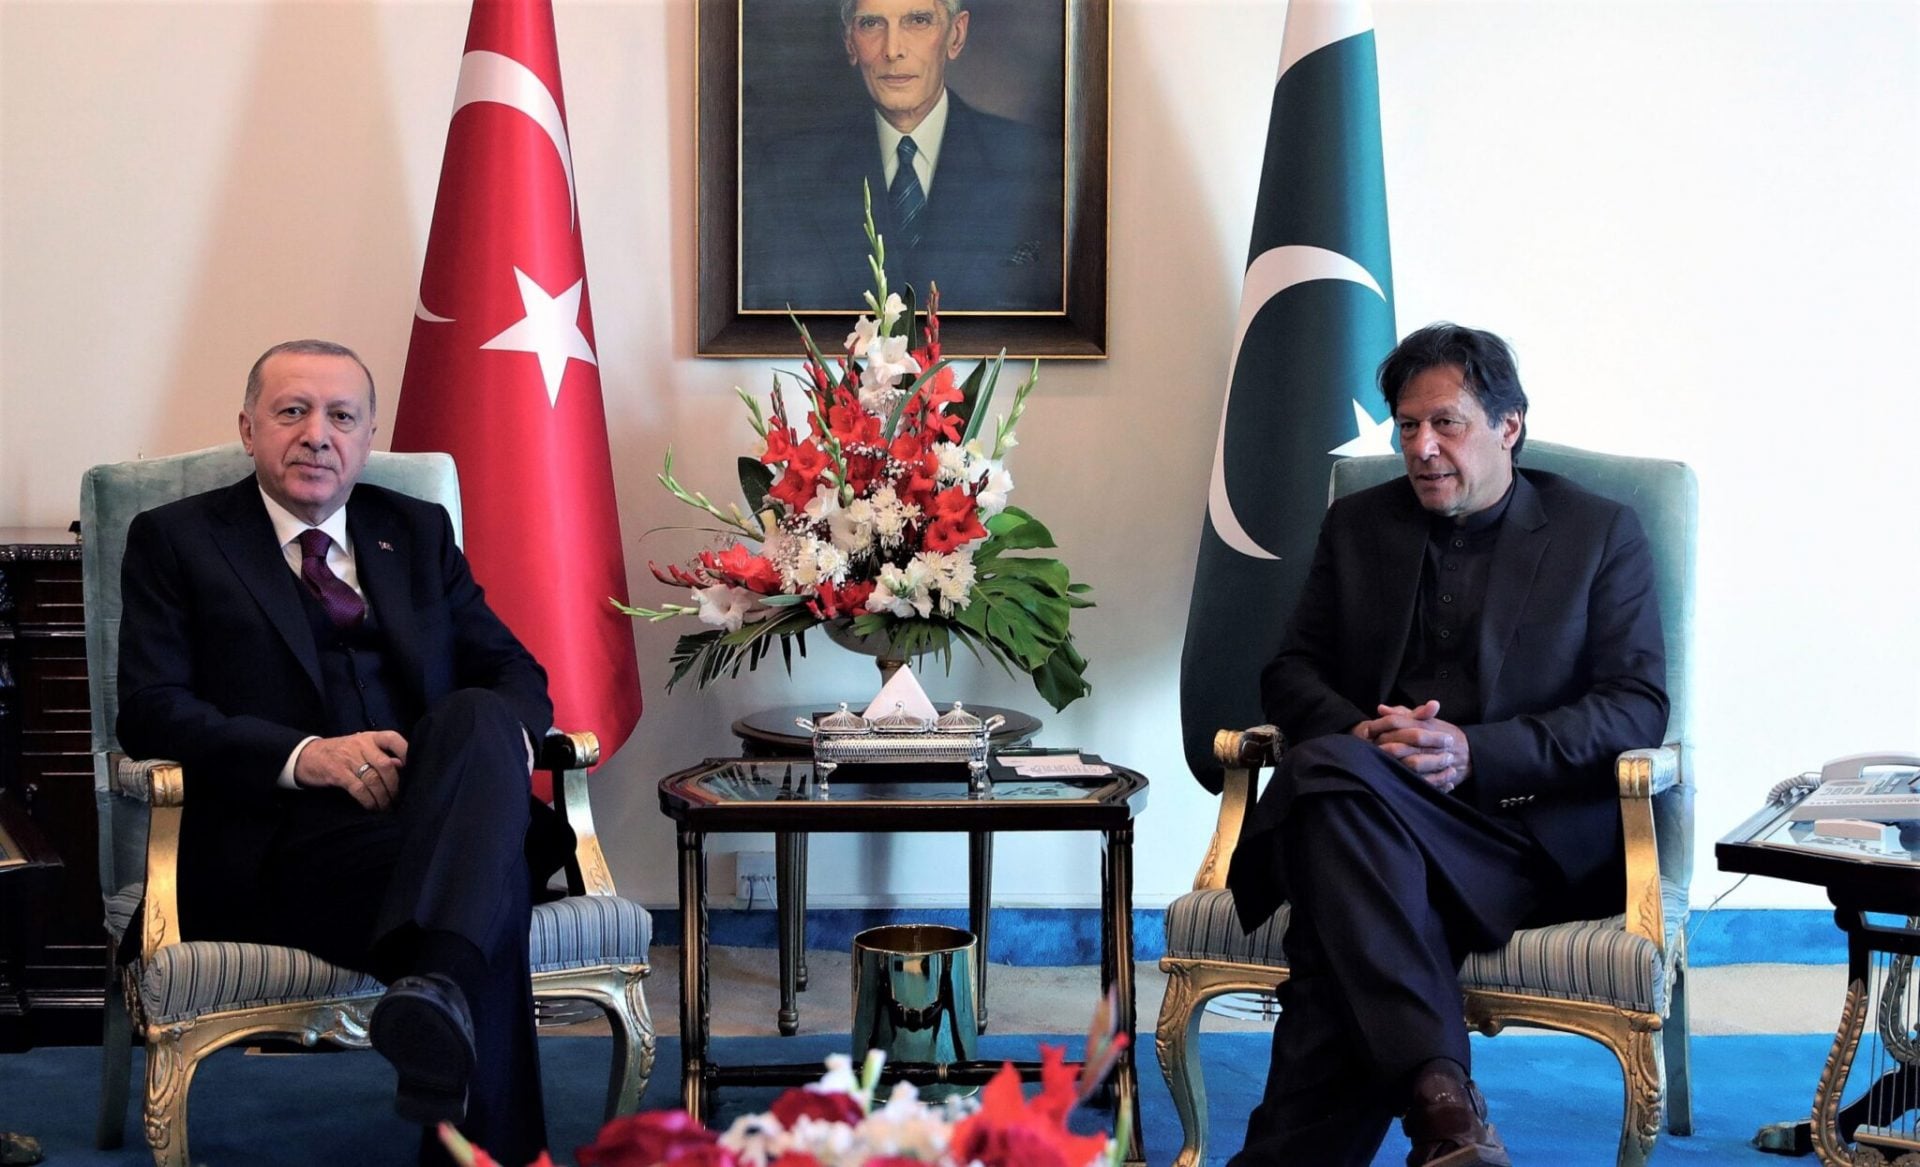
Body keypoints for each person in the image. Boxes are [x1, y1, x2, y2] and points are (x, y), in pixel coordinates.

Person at [1222, 324, 1669, 1166]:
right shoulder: (1359, 525)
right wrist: (1360, 735)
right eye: (1406, 426)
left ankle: (1434, 1109)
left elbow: (1634, 707)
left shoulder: (1598, 531)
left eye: (1446, 423)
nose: (1421, 447)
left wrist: (1474, 750)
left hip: (1519, 834)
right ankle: (1445, 1115)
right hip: (1377, 815)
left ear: (1509, 426)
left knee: (1328, 819)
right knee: (1342, 785)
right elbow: (1289, 671)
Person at [116, 339, 569, 1167]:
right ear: (248, 428)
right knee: (489, 882)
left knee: (479, 713)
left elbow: (517, 674)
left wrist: (453, 769)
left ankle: (437, 986)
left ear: (367, 437)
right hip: (283, 843)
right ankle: (455, 1032)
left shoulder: (414, 530)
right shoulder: (176, 539)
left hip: (432, 818)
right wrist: (307, 754)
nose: (317, 434)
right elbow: (151, 710)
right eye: (292, 411)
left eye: (341, 416)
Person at [740, 0, 1063, 312]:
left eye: (918, 21)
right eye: (871, 23)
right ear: (850, 42)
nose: (892, 49)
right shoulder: (788, 173)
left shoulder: (1034, 162)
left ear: (956, 35)